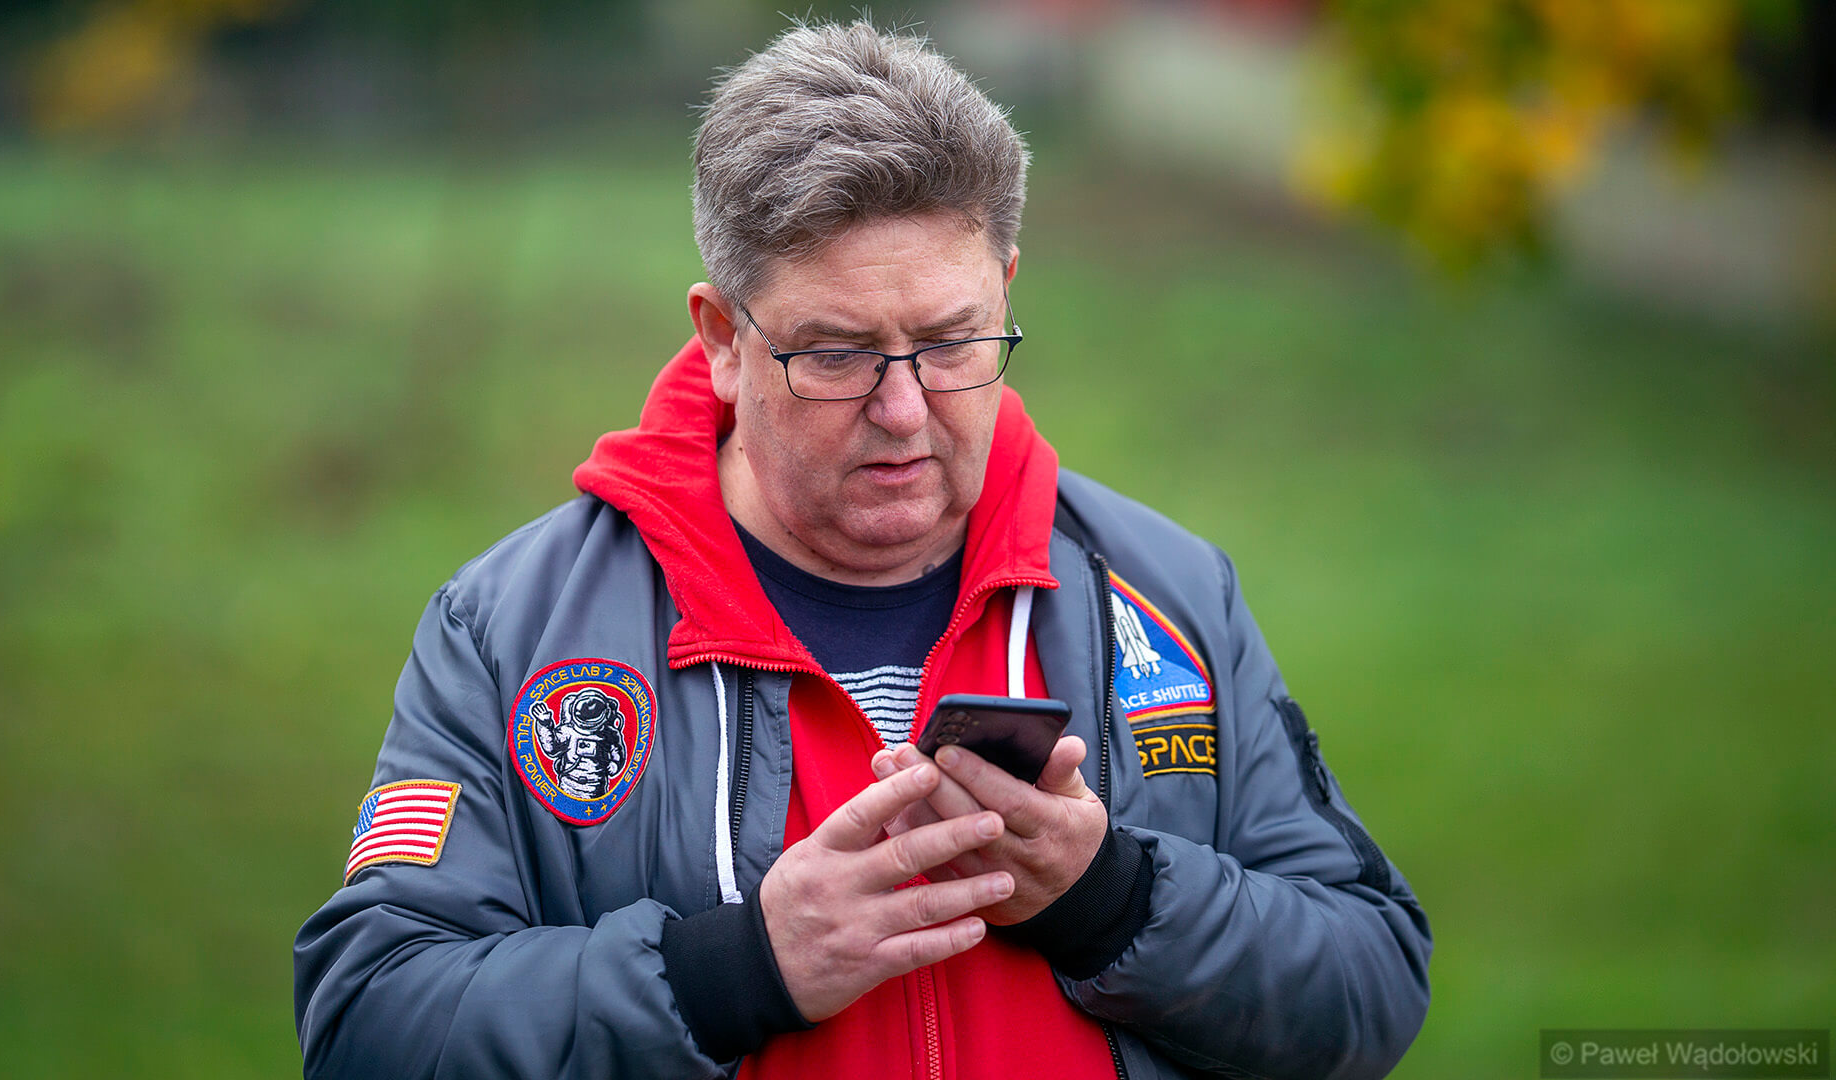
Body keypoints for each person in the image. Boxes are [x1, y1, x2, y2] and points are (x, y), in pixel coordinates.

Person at [294, 19, 1431, 1080]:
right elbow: (368, 1021)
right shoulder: (515, 628)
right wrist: (737, 971)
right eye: (836, 354)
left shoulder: (1164, 593)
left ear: (1005, 291)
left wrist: (1112, 901)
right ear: (723, 339)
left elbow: (1371, 980)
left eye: (951, 342)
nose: (903, 409)